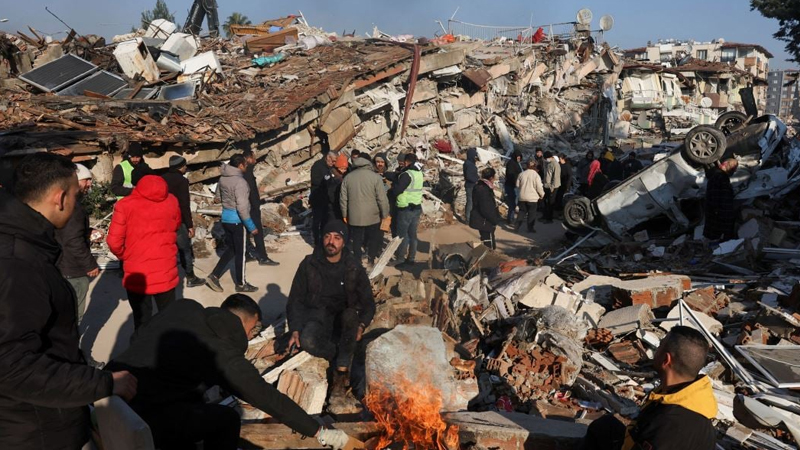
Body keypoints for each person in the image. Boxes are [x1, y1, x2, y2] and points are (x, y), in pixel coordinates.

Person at [0, 153, 137, 449]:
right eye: (76, 195)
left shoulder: (22, 243)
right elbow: (10, 366)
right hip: (32, 427)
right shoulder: (18, 263)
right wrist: (103, 383)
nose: (78, 202)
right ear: (60, 197)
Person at [106, 294, 355, 450]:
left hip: (105, 391)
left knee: (195, 399)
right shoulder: (221, 354)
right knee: (226, 419)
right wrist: (320, 432)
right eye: (253, 329)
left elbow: (140, 335)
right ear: (248, 321)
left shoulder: (184, 307)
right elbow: (266, 397)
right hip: (140, 419)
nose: (251, 336)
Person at [583, 326, 717, 450]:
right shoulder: (691, 397)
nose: (655, 351)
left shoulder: (668, 423)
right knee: (605, 427)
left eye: (659, 346)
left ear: (666, 360)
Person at [286, 220, 375, 403]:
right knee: (307, 341)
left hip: (345, 317)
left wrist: (361, 325)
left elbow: (368, 303)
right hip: (318, 314)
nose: (331, 242)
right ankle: (344, 353)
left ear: (344, 241)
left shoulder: (353, 267)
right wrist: (295, 328)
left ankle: (340, 376)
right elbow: (295, 299)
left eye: (337, 237)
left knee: (351, 316)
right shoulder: (309, 264)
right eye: (327, 236)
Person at [108, 174, 181, 330]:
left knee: (142, 321)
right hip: (165, 269)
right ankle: (167, 351)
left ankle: (141, 352)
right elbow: (176, 225)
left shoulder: (125, 205)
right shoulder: (172, 201)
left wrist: (125, 256)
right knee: (168, 319)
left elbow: (114, 242)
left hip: (137, 272)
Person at [207, 154, 259, 293]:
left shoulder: (223, 178)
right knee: (241, 253)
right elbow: (242, 208)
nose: (247, 166)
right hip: (238, 221)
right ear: (240, 165)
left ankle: (214, 275)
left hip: (226, 219)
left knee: (233, 250)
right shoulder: (240, 182)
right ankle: (241, 284)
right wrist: (251, 226)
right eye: (245, 164)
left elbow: (217, 198)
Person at [55, 163, 99, 324]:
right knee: (74, 316)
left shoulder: (61, 202)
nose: (89, 184)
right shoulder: (74, 207)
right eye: (86, 180)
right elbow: (72, 241)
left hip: (62, 266)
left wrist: (87, 231)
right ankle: (72, 348)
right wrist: (90, 264)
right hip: (73, 270)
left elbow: (67, 232)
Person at [162, 155, 206, 288]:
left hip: (163, 220)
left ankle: (165, 277)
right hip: (178, 220)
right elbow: (184, 204)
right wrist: (190, 225)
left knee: (166, 250)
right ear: (180, 167)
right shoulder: (181, 181)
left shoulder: (162, 178)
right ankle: (191, 277)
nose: (186, 168)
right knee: (185, 249)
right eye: (184, 165)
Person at [340, 155, 390, 266]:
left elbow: (343, 199)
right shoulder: (375, 177)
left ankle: (358, 260)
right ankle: (370, 260)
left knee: (356, 239)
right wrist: (385, 213)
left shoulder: (348, 177)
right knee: (373, 238)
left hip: (354, 216)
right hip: (373, 215)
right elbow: (382, 198)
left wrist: (344, 214)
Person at [242, 150, 279, 266]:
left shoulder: (244, 172)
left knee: (246, 232)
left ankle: (246, 253)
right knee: (257, 232)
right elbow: (251, 192)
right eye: (253, 158)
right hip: (251, 208)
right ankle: (263, 257)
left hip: (247, 207)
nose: (255, 160)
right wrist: (256, 205)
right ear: (248, 159)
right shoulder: (247, 173)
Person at [392, 153, 424, 269]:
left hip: (405, 208)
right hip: (416, 207)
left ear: (406, 162)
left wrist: (393, 188)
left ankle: (400, 258)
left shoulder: (407, 174)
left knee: (402, 235)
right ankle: (411, 258)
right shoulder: (418, 173)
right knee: (412, 235)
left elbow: (397, 190)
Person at [704, 158, 738, 241]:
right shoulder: (720, 177)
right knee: (718, 243)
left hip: (717, 218)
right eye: (732, 167)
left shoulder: (717, 176)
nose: (733, 171)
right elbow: (717, 198)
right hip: (719, 219)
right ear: (725, 164)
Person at [469, 167, 502, 249]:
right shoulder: (484, 190)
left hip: (481, 219)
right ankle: (489, 259)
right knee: (489, 245)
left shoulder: (479, 186)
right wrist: (494, 220)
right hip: (485, 221)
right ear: (491, 178)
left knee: (485, 241)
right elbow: (486, 208)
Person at [310, 151, 338, 247]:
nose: (334, 163)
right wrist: (326, 179)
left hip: (328, 199)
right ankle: (316, 241)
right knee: (317, 221)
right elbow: (315, 180)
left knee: (326, 221)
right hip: (318, 198)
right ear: (328, 157)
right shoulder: (317, 166)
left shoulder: (332, 167)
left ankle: (324, 240)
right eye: (333, 161)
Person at [516, 160, 545, 233]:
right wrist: (542, 195)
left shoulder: (521, 174)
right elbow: (539, 187)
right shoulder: (536, 175)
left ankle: (517, 225)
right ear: (534, 166)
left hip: (522, 197)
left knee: (521, 212)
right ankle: (530, 228)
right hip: (532, 198)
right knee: (532, 214)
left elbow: (517, 185)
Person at [326, 153, 349, 222]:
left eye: (345, 169)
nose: (343, 171)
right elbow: (330, 192)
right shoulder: (332, 176)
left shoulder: (342, 176)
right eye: (342, 168)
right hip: (333, 204)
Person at [504, 150, 523, 224]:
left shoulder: (517, 163)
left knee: (515, 203)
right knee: (512, 203)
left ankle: (513, 218)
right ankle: (510, 218)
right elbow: (511, 175)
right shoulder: (511, 163)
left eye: (519, 157)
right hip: (511, 186)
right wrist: (517, 181)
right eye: (517, 157)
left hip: (516, 186)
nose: (518, 158)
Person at [542, 151, 561, 223]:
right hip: (546, 185)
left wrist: (552, 188)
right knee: (545, 201)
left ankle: (549, 219)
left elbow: (555, 177)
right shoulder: (548, 163)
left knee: (550, 202)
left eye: (546, 158)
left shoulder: (555, 165)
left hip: (553, 187)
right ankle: (545, 216)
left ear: (550, 157)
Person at [463, 148, 479, 222]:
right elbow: (469, 176)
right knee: (470, 202)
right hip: (470, 186)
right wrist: (476, 181)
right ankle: (468, 218)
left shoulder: (470, 163)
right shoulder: (469, 164)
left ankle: (471, 217)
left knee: (472, 201)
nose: (475, 157)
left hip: (471, 185)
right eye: (474, 156)